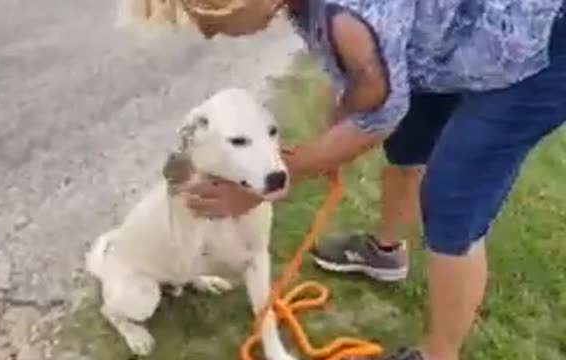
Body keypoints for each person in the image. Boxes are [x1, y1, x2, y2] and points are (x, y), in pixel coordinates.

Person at [175, 1, 566, 359]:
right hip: (459, 33)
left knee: (454, 198)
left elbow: (379, 114)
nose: (208, 33)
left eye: (211, 19)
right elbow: (369, 81)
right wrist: (338, 120)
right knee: (409, 140)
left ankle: (436, 355)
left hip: (545, 44)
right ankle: (384, 252)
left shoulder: (348, 17)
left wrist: (271, 182)